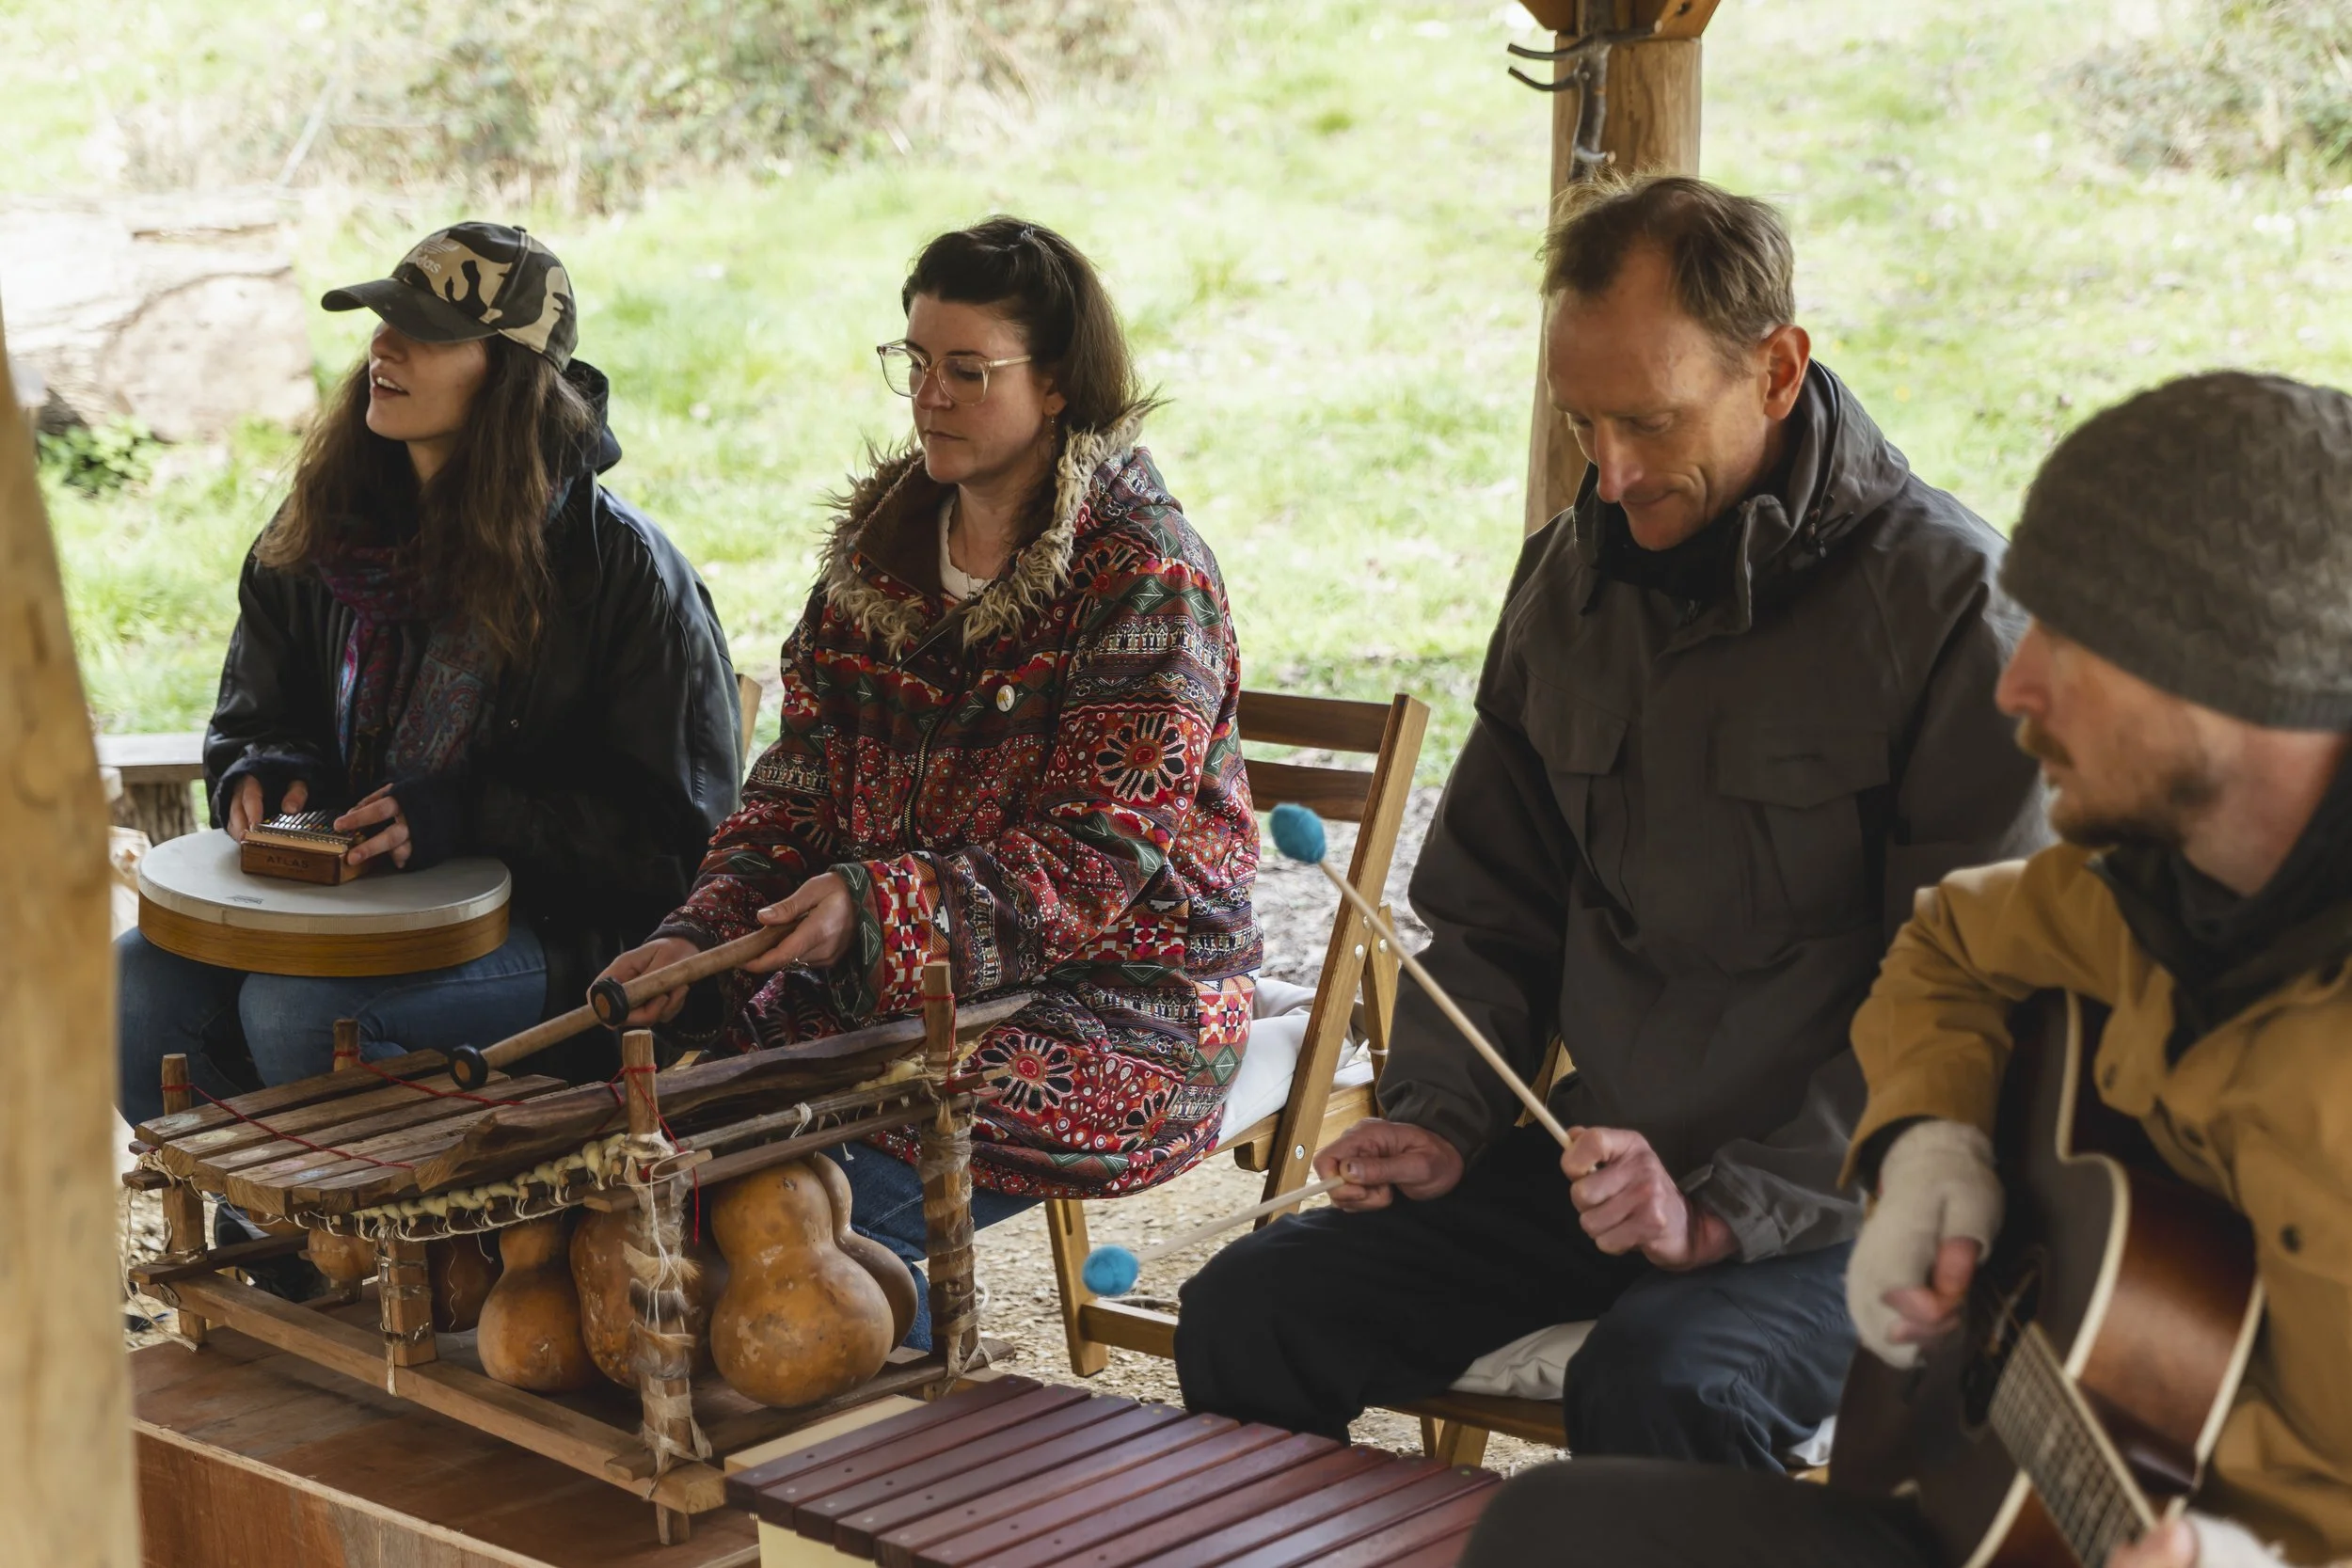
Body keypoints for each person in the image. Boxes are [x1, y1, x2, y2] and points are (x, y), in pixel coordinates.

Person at [1176, 174, 2047, 1468]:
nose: (1613, 471)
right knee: (1251, 1306)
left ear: (1778, 368)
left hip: (1857, 1198)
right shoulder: (1565, 582)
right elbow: (1493, 907)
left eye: (1648, 419)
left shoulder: (1951, 610)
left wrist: (1728, 1215)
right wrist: (1443, 1112)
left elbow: (1961, 1010)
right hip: (1601, 1169)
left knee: (1662, 1379)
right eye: (1582, 420)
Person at [1455, 372, 2352, 1568]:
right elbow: (1946, 944)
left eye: (2071, 641)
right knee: (1549, 1527)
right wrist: (1934, 1150)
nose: (2017, 685)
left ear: (2236, 673)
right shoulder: (2127, 892)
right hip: (2001, 1497)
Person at [600, 216, 1260, 1349]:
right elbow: (794, 795)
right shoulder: (873, 567)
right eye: (915, 362)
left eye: (969, 370)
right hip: (890, 989)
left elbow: (1097, 852)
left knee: (788, 1212)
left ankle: (872, 1441)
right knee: (656, 1154)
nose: (930, 396)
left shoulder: (1144, 572)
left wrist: (876, 904)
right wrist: (700, 931)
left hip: (1116, 1000)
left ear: (1055, 386)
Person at [118, 222, 742, 1128]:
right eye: (381, 318)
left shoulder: (624, 576)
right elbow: (255, 714)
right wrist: (264, 771)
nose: (383, 344)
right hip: (348, 914)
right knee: (132, 990)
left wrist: (466, 814)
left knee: (302, 1012)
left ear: (512, 376)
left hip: (569, 942)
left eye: (427, 332)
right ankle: (291, 1237)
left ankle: (398, 1248)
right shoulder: (321, 532)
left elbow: (676, 845)